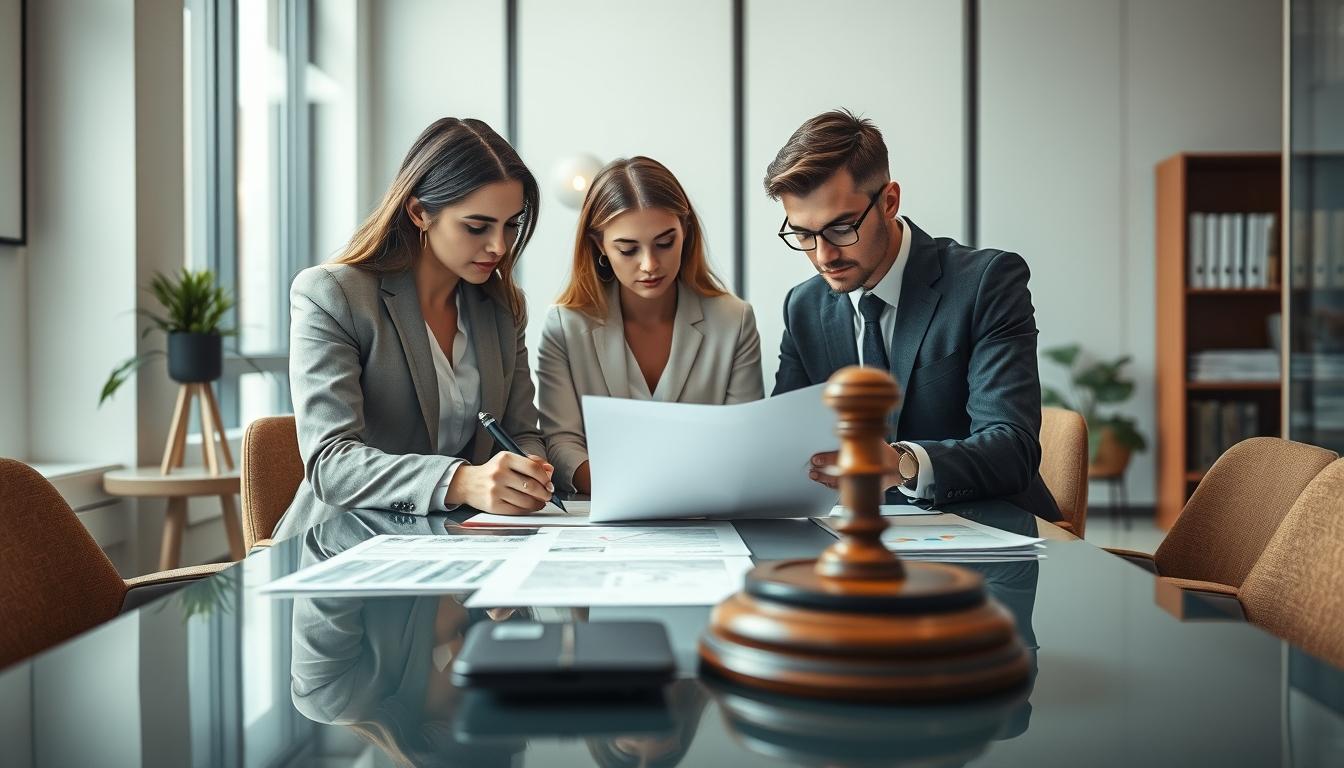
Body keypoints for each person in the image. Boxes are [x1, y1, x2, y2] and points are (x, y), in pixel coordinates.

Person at [768, 109, 1060, 521]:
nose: (823, 255)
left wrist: (900, 462)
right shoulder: (804, 307)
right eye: (803, 234)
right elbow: (783, 441)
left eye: (840, 228)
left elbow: (1012, 449)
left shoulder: (985, 283)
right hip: (853, 536)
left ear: (889, 201)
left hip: (987, 533)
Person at [274, 117, 556, 541]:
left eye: (510, 225)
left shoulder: (501, 309)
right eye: (477, 226)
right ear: (420, 211)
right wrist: (462, 481)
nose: (498, 246)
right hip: (342, 552)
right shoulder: (333, 295)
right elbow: (331, 465)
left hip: (457, 550)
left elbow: (520, 433)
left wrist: (527, 471)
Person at [538, 156, 763, 494]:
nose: (649, 265)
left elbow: (743, 442)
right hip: (601, 513)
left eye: (664, 242)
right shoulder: (564, 326)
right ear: (599, 244)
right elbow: (562, 444)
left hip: (706, 514)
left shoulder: (734, 320)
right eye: (628, 249)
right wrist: (636, 491)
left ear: (685, 231)